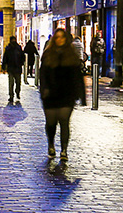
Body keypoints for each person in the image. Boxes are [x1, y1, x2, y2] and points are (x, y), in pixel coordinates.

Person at [39, 28, 83, 160]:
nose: (59, 40)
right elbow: (43, 75)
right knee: (51, 123)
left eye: (62, 37)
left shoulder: (71, 55)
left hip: (66, 94)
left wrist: (80, 94)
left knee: (64, 122)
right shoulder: (48, 55)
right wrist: (44, 90)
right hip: (51, 95)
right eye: (57, 37)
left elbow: (77, 76)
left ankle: (64, 150)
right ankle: (51, 145)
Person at [3, 36, 25, 104]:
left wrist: (21, 63)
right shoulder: (8, 48)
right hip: (11, 68)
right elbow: (5, 58)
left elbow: (22, 56)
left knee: (18, 82)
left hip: (17, 68)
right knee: (11, 83)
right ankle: (11, 96)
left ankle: (17, 92)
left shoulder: (18, 48)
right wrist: (4, 67)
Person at [70, 33, 87, 106]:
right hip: (80, 60)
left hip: (73, 61)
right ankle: (80, 99)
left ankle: (75, 96)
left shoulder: (72, 44)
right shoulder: (81, 44)